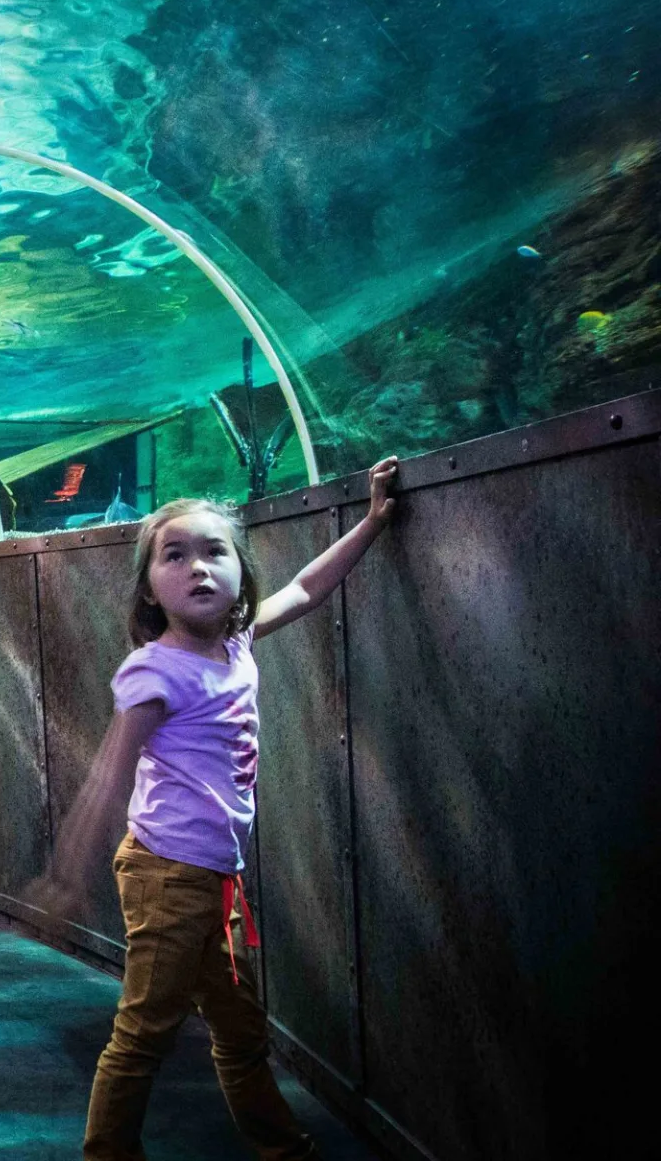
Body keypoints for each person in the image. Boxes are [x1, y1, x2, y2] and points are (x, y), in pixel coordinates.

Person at [37, 458, 399, 1160]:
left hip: (219, 880)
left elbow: (304, 587)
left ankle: (282, 1146)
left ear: (239, 570)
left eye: (215, 550)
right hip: (167, 877)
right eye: (175, 555)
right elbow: (110, 773)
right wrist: (67, 872)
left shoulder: (236, 643)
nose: (198, 567)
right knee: (143, 1032)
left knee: (240, 1031)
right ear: (148, 586)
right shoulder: (157, 670)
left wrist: (374, 520)